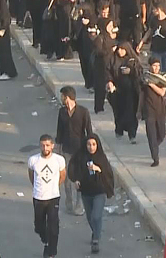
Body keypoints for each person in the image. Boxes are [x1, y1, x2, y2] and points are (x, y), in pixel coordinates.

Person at [69, 134, 114, 255]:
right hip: (86, 191)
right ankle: (95, 232)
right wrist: (76, 179)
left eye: (94, 144)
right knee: (90, 217)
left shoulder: (101, 158)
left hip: (99, 191)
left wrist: (98, 169)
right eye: (89, 144)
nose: (91, 147)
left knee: (96, 216)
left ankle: (96, 240)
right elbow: (73, 168)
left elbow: (108, 175)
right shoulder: (81, 156)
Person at [28, 134, 66, 258]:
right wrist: (37, 187)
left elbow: (62, 176)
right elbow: (31, 176)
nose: (45, 148)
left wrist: (54, 186)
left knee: (53, 226)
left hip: (53, 197)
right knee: (38, 226)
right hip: (38, 198)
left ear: (52, 146)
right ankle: (46, 240)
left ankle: (51, 252)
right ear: (40, 146)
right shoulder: (33, 160)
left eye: (48, 145)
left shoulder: (59, 160)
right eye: (43, 145)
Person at [56, 86, 92, 214]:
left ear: (68, 97)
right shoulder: (62, 112)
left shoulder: (83, 112)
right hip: (66, 149)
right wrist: (58, 149)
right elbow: (59, 131)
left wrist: (90, 150)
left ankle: (79, 204)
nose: (62, 99)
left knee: (79, 178)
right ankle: (69, 200)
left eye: (63, 96)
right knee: (66, 179)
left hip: (80, 150)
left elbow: (89, 131)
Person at [141, 58, 166, 166]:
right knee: (151, 135)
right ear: (149, 66)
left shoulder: (163, 78)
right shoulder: (145, 77)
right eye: (154, 65)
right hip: (149, 110)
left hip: (160, 110)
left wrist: (151, 85)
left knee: (162, 134)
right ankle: (155, 157)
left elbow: (162, 92)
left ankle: (154, 146)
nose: (156, 68)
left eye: (158, 65)